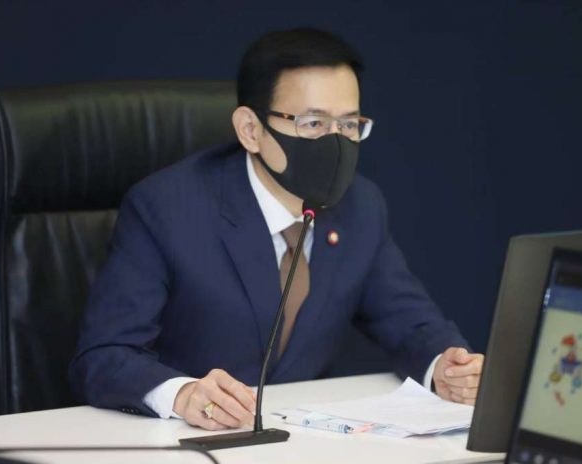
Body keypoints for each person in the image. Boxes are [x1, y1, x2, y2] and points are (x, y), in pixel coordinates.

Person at [69, 28, 484, 431]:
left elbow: (409, 322)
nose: (335, 142)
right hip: (186, 442)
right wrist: (183, 394)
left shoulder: (360, 206)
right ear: (251, 129)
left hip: (303, 442)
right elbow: (104, 355)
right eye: (313, 123)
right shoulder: (166, 208)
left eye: (349, 124)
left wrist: (446, 368)